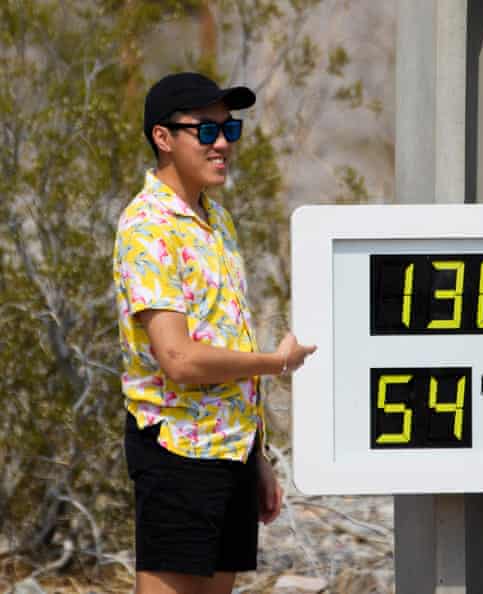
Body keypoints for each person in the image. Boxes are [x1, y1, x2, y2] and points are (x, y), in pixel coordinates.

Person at [112, 72, 316, 594]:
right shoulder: (147, 227)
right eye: (205, 131)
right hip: (179, 452)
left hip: (230, 451)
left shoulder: (216, 220)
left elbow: (227, 335)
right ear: (163, 138)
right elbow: (177, 359)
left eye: (229, 129)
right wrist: (277, 363)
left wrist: (258, 457)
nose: (222, 143)